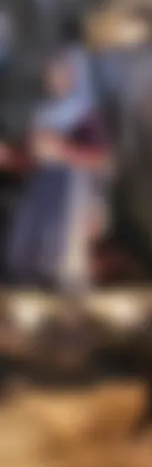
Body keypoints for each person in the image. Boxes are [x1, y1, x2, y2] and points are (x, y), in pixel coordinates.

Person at [3, 48, 111, 291]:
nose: (52, 79)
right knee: (28, 253)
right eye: (50, 73)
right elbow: (33, 161)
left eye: (59, 73)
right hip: (41, 191)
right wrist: (11, 157)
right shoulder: (43, 114)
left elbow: (100, 158)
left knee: (62, 256)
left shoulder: (84, 116)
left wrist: (63, 151)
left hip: (70, 193)